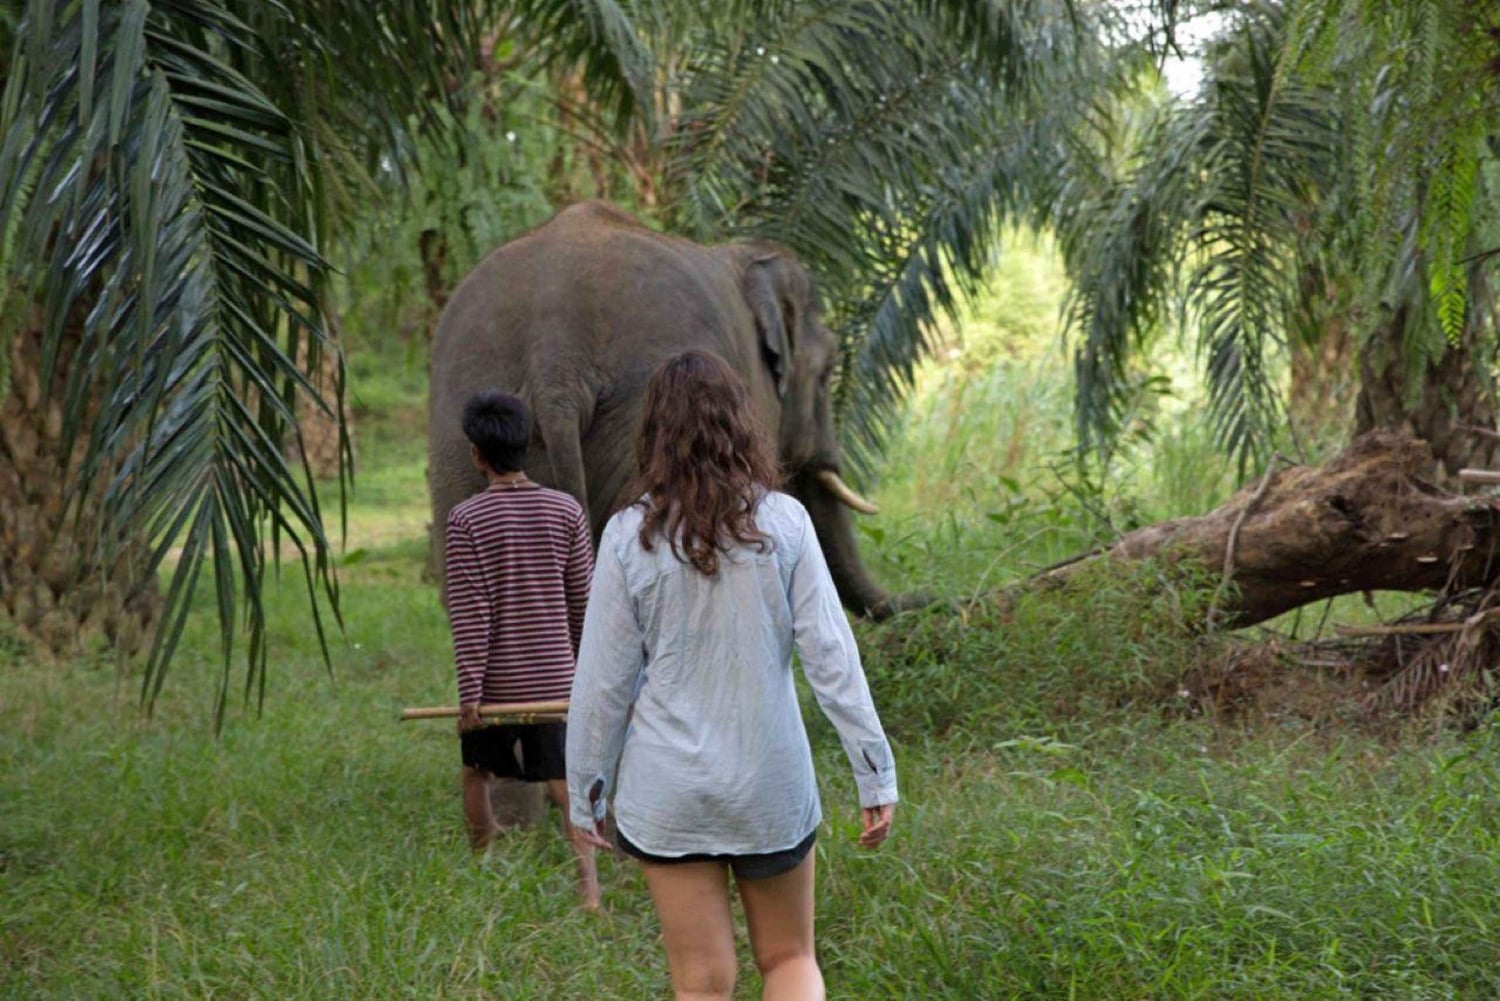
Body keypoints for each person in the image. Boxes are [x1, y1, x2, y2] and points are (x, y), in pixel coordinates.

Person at [566, 351, 897, 999]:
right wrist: (874, 772)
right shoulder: (786, 522)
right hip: (770, 786)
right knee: (790, 958)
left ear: (653, 433)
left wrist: (587, 793)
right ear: (742, 424)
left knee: (702, 982)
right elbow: (833, 660)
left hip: (670, 793)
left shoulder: (629, 537)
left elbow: (603, 683)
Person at [444, 390, 600, 910]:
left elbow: (471, 615)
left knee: (477, 774)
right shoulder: (566, 510)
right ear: (528, 445)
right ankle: (590, 890)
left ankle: (481, 867)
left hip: (496, 684)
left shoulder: (466, 520)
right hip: (556, 679)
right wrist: (584, 675)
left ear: (476, 455)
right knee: (563, 783)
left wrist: (471, 695)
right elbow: (583, 603)